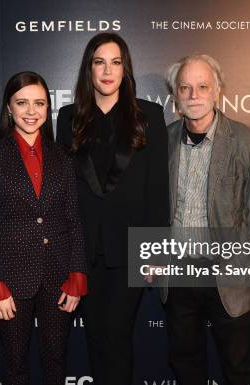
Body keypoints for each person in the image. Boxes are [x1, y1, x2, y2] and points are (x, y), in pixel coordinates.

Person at [56, 33, 170, 385]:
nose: (107, 71)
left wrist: (155, 250)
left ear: (125, 70)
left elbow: (157, 188)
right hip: (85, 251)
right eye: (99, 62)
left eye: (115, 62)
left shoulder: (148, 115)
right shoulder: (68, 117)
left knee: (118, 336)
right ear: (88, 69)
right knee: (94, 337)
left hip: (131, 250)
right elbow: (64, 190)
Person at [161, 54, 250, 385]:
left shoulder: (246, 142)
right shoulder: (162, 141)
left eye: (203, 86)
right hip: (178, 275)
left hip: (227, 274)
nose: (194, 95)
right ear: (176, 97)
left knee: (236, 368)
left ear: (217, 91)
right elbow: (152, 205)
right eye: (185, 87)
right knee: (185, 366)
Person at [0, 71, 87, 385]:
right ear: (9, 108)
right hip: (11, 278)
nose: (31, 111)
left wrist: (77, 274)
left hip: (58, 276)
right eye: (22, 103)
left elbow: (73, 219)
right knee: (15, 365)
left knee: (55, 360)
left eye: (39, 103)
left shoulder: (63, 157)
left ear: (48, 108)